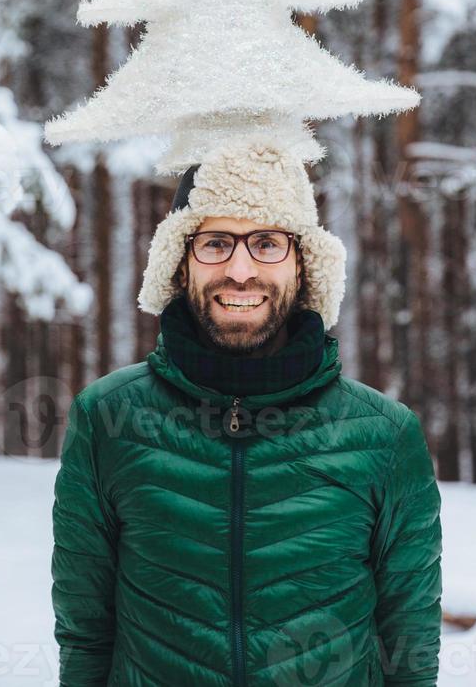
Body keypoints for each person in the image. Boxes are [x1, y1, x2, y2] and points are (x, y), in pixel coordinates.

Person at [51, 140, 442, 687]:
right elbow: (86, 632)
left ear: (303, 264)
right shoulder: (108, 419)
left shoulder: (385, 434)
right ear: (180, 262)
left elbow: (410, 642)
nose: (240, 270)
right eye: (215, 242)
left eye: (266, 242)